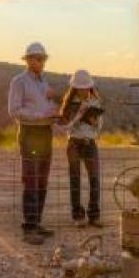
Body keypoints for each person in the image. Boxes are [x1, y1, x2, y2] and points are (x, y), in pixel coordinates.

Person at [8, 42, 59, 245]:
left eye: (42, 59)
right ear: (28, 60)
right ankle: (29, 227)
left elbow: (47, 106)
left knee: (42, 180)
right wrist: (40, 115)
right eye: (35, 58)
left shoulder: (44, 83)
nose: (39, 62)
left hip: (46, 132)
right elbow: (14, 110)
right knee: (31, 179)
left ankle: (37, 223)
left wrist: (55, 111)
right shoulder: (18, 82)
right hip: (30, 132)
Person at [58, 70, 105, 228]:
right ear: (75, 88)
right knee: (75, 179)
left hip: (90, 142)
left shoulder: (95, 101)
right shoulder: (70, 104)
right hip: (74, 143)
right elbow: (66, 127)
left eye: (86, 87)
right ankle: (78, 215)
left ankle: (94, 215)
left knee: (94, 179)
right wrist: (79, 114)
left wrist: (94, 122)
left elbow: (99, 126)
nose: (83, 90)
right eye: (80, 88)